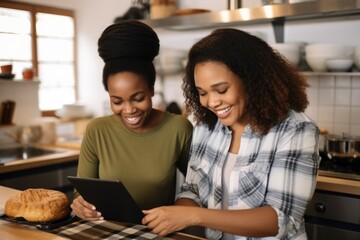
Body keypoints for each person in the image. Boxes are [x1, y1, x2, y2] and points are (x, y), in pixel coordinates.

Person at [142, 28, 320, 239]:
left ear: (251, 80)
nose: (212, 102)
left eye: (221, 89)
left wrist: (195, 216)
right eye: (203, 93)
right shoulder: (205, 126)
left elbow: (279, 219)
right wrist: (174, 216)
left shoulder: (295, 129)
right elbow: (192, 190)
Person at [70, 20, 193, 221]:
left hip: (158, 231)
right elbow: (82, 193)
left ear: (152, 90)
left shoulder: (178, 128)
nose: (128, 110)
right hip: (109, 229)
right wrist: (80, 205)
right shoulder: (96, 130)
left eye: (138, 98)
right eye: (117, 101)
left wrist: (179, 212)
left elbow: (200, 186)